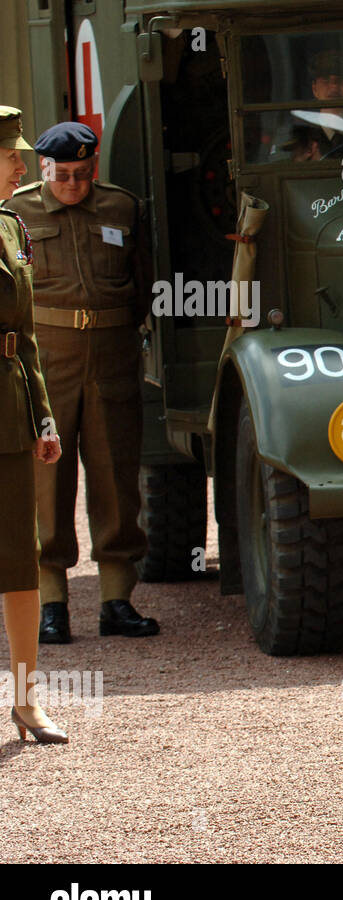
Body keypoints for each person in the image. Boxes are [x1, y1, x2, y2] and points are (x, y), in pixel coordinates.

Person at [2, 122, 159, 643]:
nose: (74, 185)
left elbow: (143, 280)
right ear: (44, 169)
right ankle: (52, 604)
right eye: (64, 175)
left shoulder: (121, 207)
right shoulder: (17, 212)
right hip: (48, 358)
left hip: (111, 356)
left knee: (116, 476)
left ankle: (117, 599)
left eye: (84, 174)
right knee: (46, 483)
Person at [0, 106, 68, 742]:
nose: (22, 166)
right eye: (11, 156)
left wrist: (43, 415)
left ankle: (25, 701)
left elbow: (25, 335)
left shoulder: (11, 228)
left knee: (20, 560)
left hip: (7, 412)